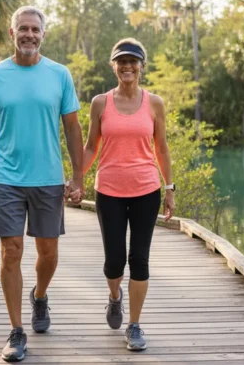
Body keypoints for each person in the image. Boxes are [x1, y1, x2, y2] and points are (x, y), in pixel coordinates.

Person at [0, 5, 84, 362]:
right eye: (23, 29)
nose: (29, 35)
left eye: (35, 29)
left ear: (43, 34)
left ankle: (40, 296)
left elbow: (73, 128)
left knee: (48, 253)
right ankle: (17, 331)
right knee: (11, 251)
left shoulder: (60, 75)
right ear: (11, 33)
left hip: (48, 178)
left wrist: (78, 176)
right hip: (6, 178)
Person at [81, 38, 175, 351]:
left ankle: (134, 325)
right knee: (114, 261)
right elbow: (92, 146)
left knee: (139, 259)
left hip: (146, 190)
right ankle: (114, 297)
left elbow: (161, 147)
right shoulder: (100, 103)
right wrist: (77, 178)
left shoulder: (154, 103)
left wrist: (170, 188)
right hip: (108, 190)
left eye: (133, 61)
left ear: (141, 66)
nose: (127, 66)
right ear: (114, 66)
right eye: (121, 61)